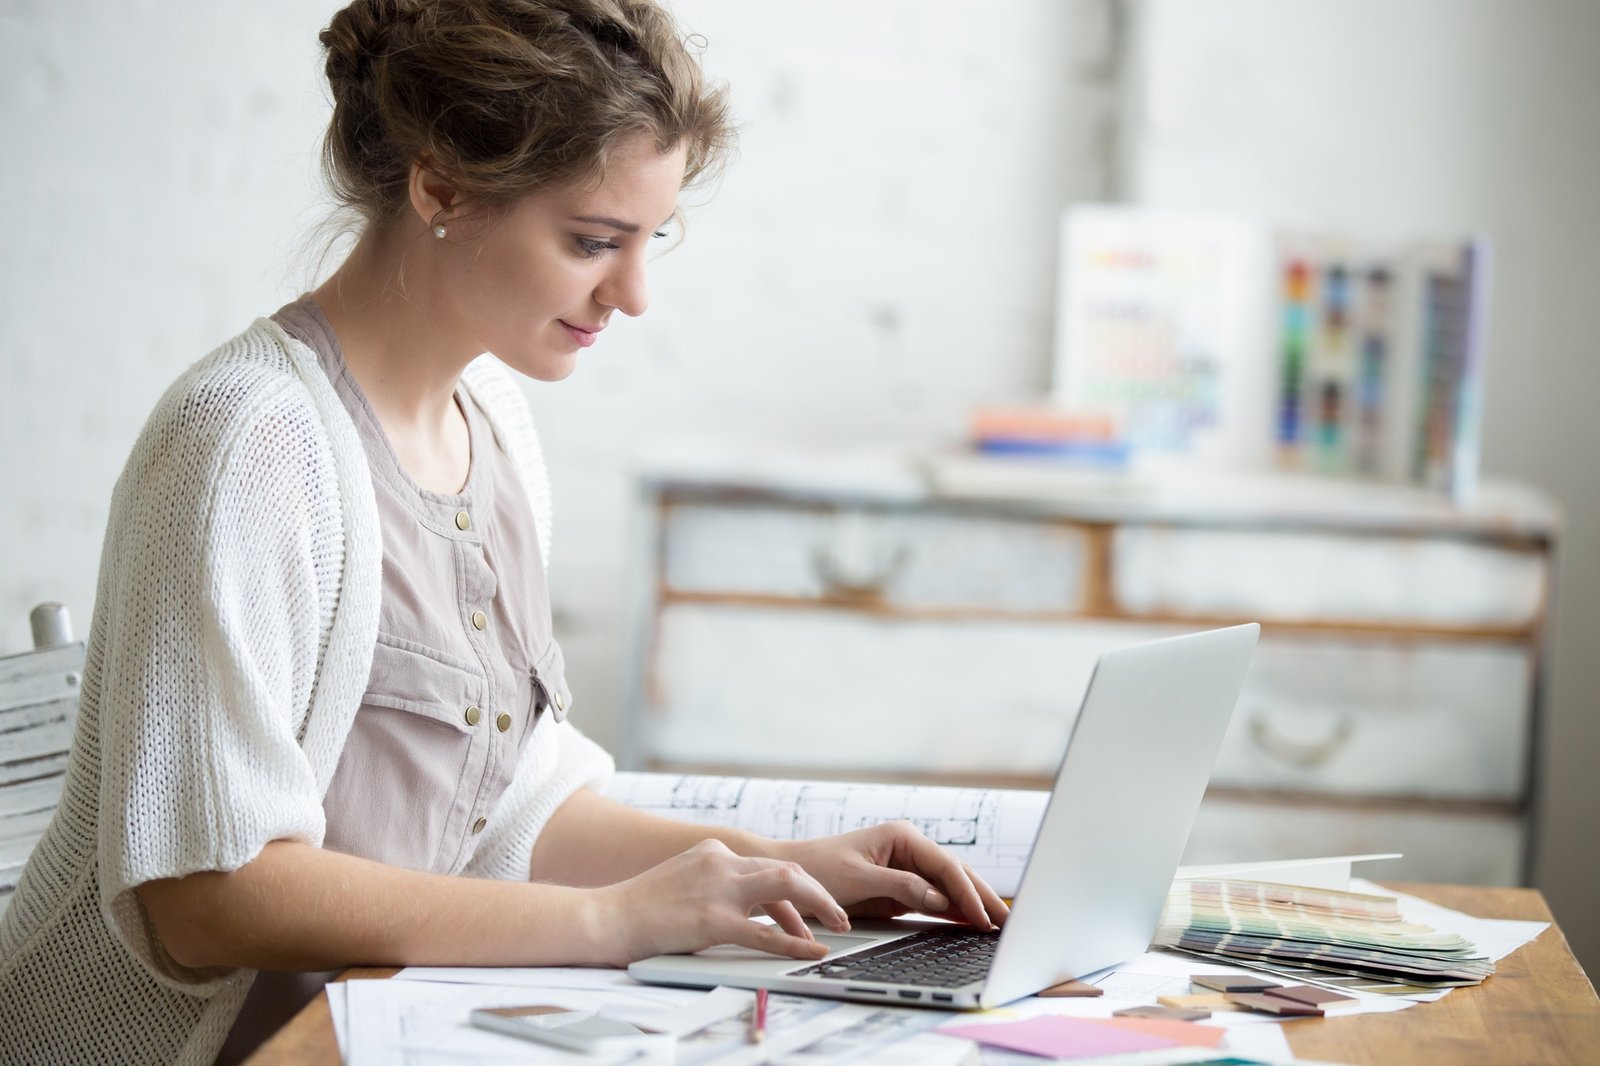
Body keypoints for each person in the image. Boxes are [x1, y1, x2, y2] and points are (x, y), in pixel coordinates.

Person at [0, 2, 1008, 1063]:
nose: (633, 294)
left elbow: (504, 807)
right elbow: (207, 897)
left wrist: (769, 864)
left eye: (647, 240)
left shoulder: (497, 428)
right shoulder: (248, 444)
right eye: (591, 242)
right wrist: (615, 921)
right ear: (440, 187)